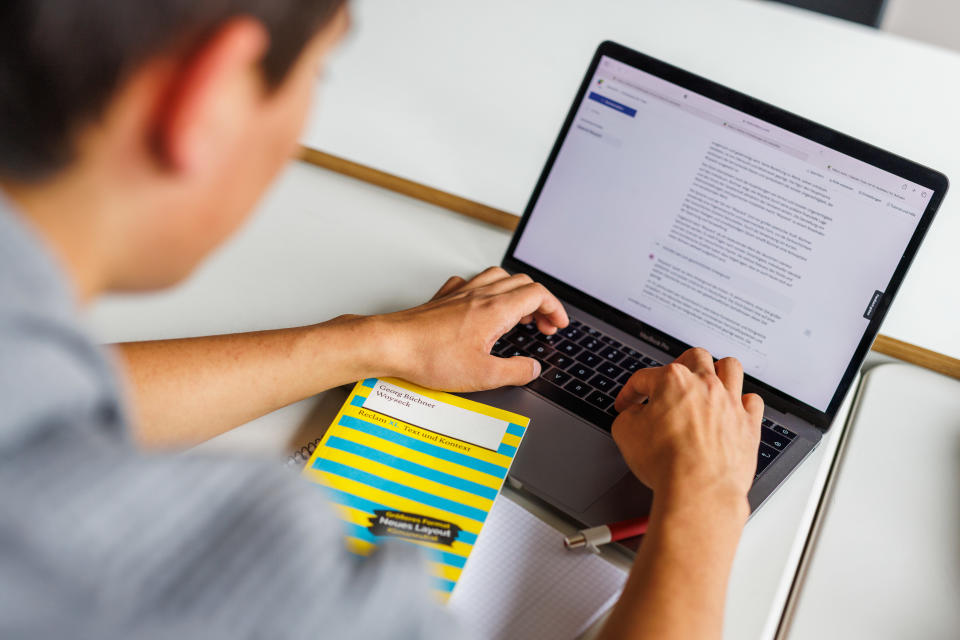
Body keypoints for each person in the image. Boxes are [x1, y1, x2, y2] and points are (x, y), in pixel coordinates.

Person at [0, 1, 763, 638]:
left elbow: (41, 393)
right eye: (316, 76)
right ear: (209, 93)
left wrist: (376, 343)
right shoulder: (251, 572)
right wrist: (708, 495)